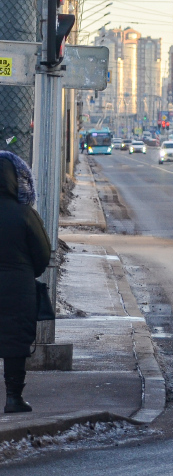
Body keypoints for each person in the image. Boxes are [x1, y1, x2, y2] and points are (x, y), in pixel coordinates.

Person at [0, 153, 51, 414]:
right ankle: (13, 398)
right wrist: (27, 272)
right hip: (18, 287)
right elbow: (43, 254)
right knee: (14, 341)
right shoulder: (25, 214)